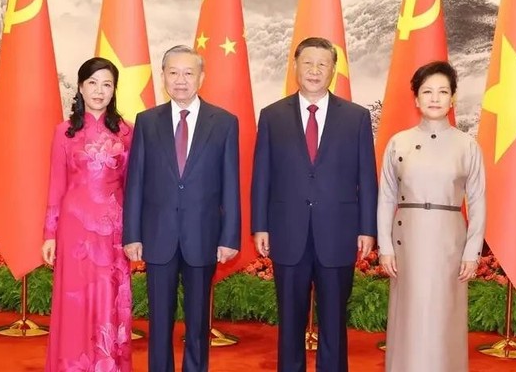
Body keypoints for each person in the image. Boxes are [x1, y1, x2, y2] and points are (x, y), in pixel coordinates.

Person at [251, 37, 378, 372]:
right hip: (287, 232)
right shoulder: (271, 116)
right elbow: (262, 175)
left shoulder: (356, 118)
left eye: (323, 64)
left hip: (337, 234)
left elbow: (366, 177)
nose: (315, 70)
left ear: (333, 70)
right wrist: (260, 225)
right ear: (295, 66)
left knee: (334, 321)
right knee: (289, 320)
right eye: (308, 63)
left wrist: (367, 228)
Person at [123, 45, 240, 372]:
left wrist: (229, 236)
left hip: (202, 236)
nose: (181, 80)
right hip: (158, 236)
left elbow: (231, 182)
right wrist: (132, 234)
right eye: (173, 73)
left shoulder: (225, 122)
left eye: (189, 73)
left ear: (201, 77)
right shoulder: (147, 122)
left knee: (198, 323)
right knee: (159, 322)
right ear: (163, 77)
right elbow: (136, 181)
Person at [377, 60, 486, 372]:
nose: (435, 98)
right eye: (427, 91)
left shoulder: (467, 145)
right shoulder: (399, 142)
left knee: (444, 317)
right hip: (407, 241)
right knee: (408, 316)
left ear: (452, 98)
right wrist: (385, 246)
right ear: (416, 98)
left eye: (442, 91)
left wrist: (472, 251)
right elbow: (385, 197)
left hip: (450, 242)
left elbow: (477, 201)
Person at [42, 57, 133, 372]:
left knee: (109, 299)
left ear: (114, 90)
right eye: (93, 83)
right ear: (80, 87)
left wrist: (134, 233)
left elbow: (133, 188)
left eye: (107, 84)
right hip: (74, 231)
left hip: (114, 231)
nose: (99, 90)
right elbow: (56, 184)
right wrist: (49, 234)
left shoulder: (127, 132)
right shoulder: (64, 132)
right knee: (74, 303)